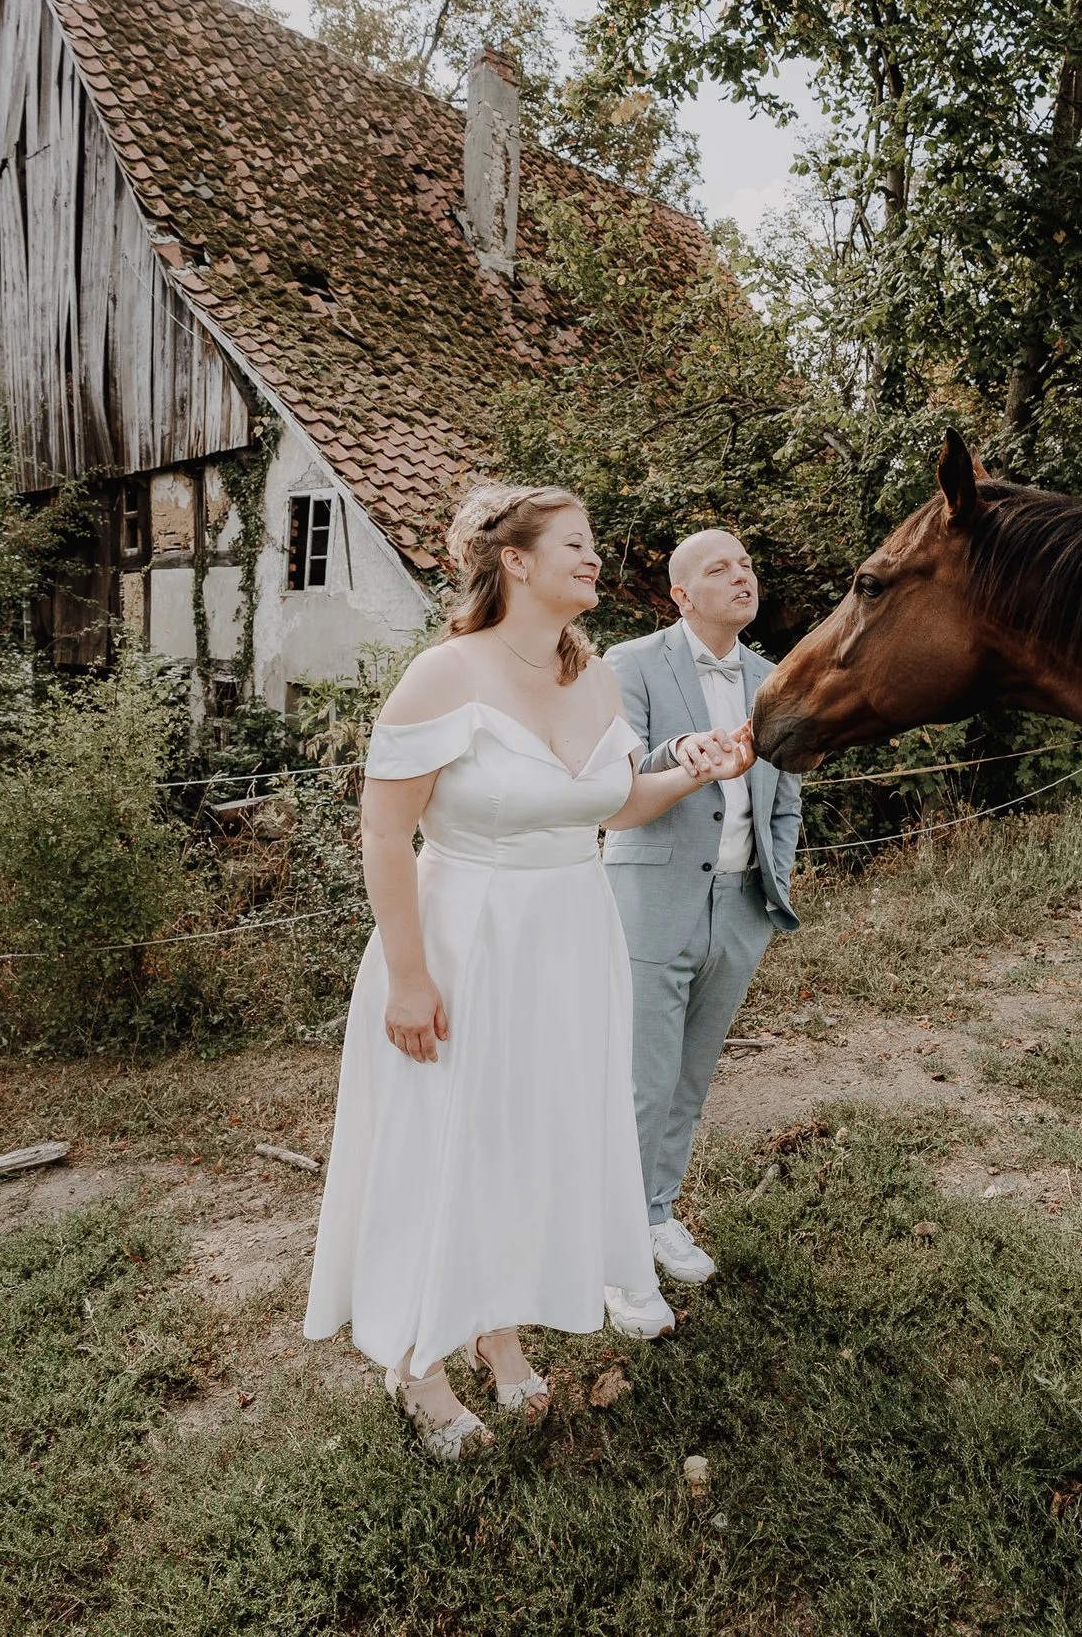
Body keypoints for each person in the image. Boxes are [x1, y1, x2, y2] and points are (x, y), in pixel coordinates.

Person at [302, 486, 755, 1460]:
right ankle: (415, 1362)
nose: (595, 558)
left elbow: (611, 803)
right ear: (515, 560)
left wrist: (696, 770)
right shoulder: (445, 674)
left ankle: (496, 1329)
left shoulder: (591, 677)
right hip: (464, 940)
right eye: (575, 543)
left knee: (521, 1145)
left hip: (570, 943)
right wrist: (409, 978)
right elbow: (383, 830)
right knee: (447, 1142)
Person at [603, 530, 804, 1288]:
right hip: (651, 900)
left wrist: (772, 883)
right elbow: (614, 776)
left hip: (742, 905)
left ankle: (656, 1212)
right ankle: (616, 1237)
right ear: (682, 595)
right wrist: (678, 751)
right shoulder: (631, 663)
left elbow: (786, 798)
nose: (741, 576)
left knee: (689, 1079)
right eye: (720, 568)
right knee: (642, 1080)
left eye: (746, 564)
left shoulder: (775, 679)